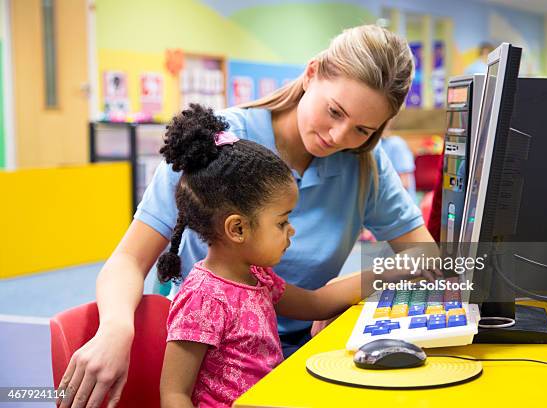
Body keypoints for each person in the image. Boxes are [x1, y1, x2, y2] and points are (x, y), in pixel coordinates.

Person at [56, 24, 437, 408]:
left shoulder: (365, 164)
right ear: (311, 73)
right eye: (334, 111)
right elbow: (128, 259)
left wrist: (346, 301)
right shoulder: (219, 143)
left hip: (297, 357)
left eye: (362, 129)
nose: (338, 137)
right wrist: (116, 328)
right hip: (205, 360)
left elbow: (423, 255)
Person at [158, 105, 386, 407]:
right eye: (282, 222)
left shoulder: (257, 277)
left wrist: (388, 274)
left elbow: (316, 302)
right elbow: (174, 393)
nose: (291, 231)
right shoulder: (204, 298)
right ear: (238, 228)